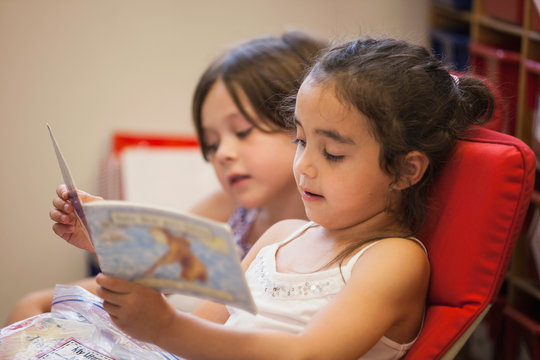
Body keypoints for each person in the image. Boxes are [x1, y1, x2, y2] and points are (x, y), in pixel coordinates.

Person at [91, 37, 495, 359]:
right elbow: (203, 335)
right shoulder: (278, 238)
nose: (304, 166)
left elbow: (307, 354)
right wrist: (103, 241)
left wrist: (165, 326)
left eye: (333, 154)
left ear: (406, 170)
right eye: (300, 141)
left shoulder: (392, 260)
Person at [4, 30, 327, 325]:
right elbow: (155, 265)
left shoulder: (332, 234)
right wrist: (109, 238)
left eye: (242, 131)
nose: (223, 154)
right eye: (212, 144)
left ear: (304, 126)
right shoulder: (230, 211)